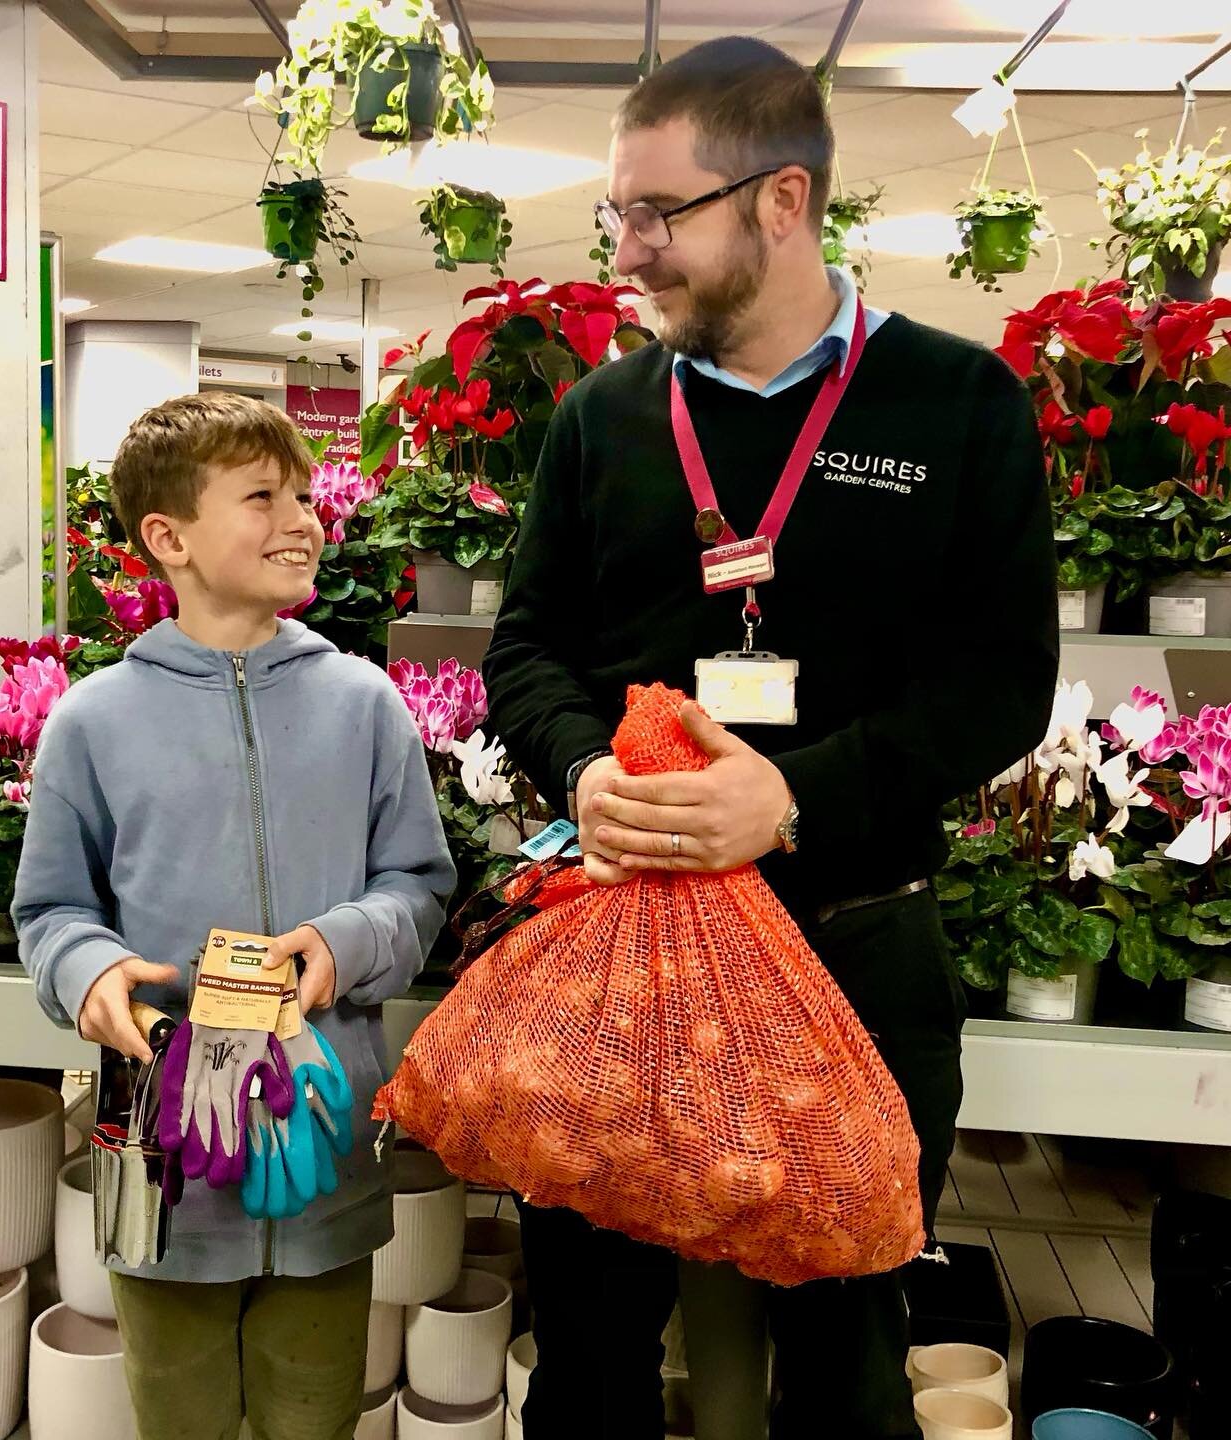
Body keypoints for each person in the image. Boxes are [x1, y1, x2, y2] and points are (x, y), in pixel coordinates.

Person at [482, 35, 1058, 1440]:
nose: (628, 248)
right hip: (623, 948)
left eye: (657, 213)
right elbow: (527, 650)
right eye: (616, 214)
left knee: (848, 1364)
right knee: (591, 1348)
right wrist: (585, 768)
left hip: (854, 947)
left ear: (781, 203)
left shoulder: (955, 404)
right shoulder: (604, 416)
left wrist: (789, 802)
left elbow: (1001, 686)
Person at [13, 391, 456, 1440]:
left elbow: (420, 885)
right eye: (262, 496)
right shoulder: (93, 721)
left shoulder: (364, 705)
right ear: (166, 537)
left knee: (316, 1417)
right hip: (167, 1168)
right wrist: (87, 972)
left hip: (321, 1149)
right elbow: (52, 907)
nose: (301, 518)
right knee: (182, 1417)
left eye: (303, 493)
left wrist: (346, 944)